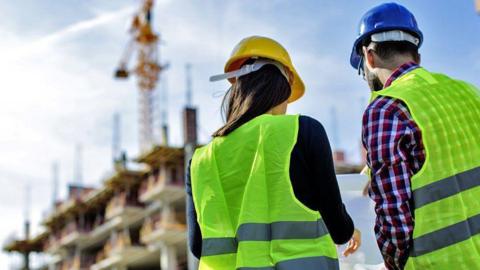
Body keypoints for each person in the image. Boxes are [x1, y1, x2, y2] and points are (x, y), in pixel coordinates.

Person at [185, 36, 361, 269]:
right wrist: (351, 230)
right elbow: (338, 228)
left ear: (238, 88)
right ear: (284, 84)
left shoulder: (200, 161)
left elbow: (199, 246)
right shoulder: (303, 131)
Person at [351, 3, 480, 270]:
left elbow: (394, 215)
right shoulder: (468, 92)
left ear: (369, 56)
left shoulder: (385, 109)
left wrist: (393, 261)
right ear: (417, 57)